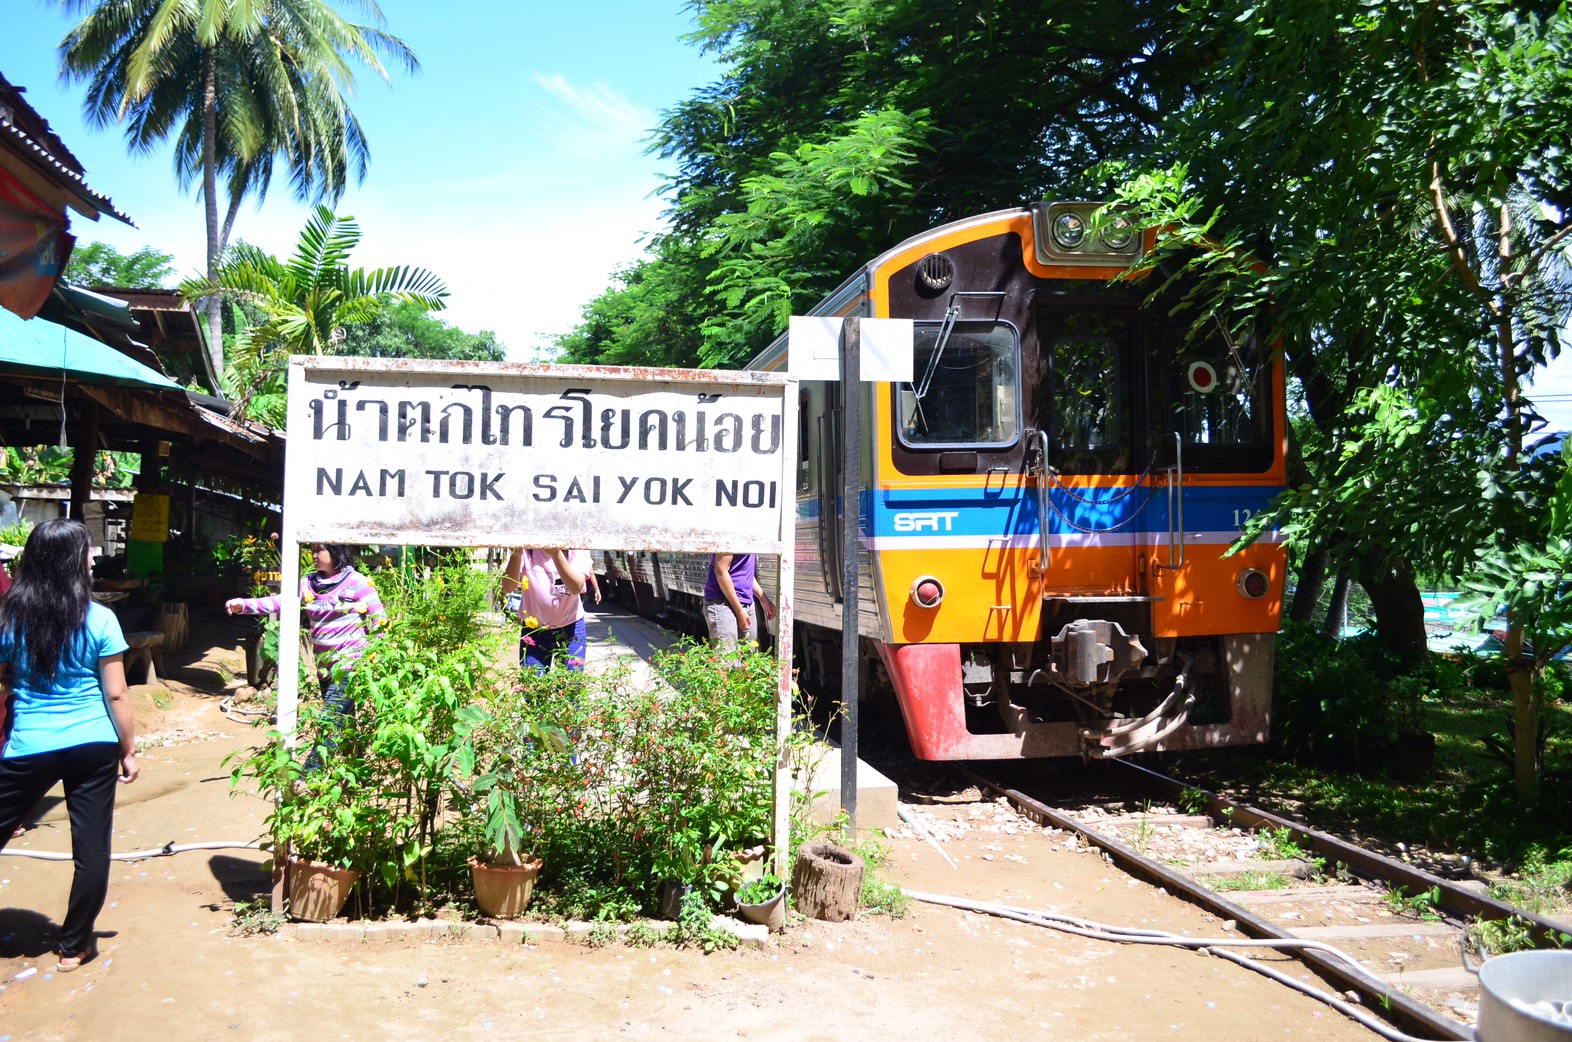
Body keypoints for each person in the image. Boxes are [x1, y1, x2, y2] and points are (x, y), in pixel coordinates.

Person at [0, 518, 138, 973]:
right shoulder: (99, 618)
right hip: (93, 742)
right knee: (91, 849)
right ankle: (73, 947)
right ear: (73, 561)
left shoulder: (9, 616)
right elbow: (116, 693)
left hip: (28, 745)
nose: (93, 558)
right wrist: (128, 749)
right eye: (88, 551)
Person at [226, 544, 386, 764]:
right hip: (325, 670)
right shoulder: (308, 584)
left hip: (351, 666)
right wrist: (243, 605)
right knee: (345, 722)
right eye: (312, 549)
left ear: (336, 551)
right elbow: (280, 601)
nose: (314, 554)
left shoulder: (358, 582)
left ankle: (310, 775)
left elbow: (380, 621)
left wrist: (375, 659)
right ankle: (356, 774)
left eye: (319, 550)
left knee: (330, 721)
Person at [503, 547, 588, 672]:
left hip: (571, 627)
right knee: (533, 686)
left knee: (572, 685)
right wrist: (516, 555)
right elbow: (508, 587)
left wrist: (556, 553)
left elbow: (576, 587)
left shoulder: (576, 546)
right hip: (534, 631)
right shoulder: (526, 549)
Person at [703, 553, 775, 652]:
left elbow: (745, 573)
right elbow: (721, 571)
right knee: (726, 658)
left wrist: (763, 598)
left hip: (747, 602)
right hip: (722, 602)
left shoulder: (751, 540)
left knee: (749, 657)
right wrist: (739, 611)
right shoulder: (732, 538)